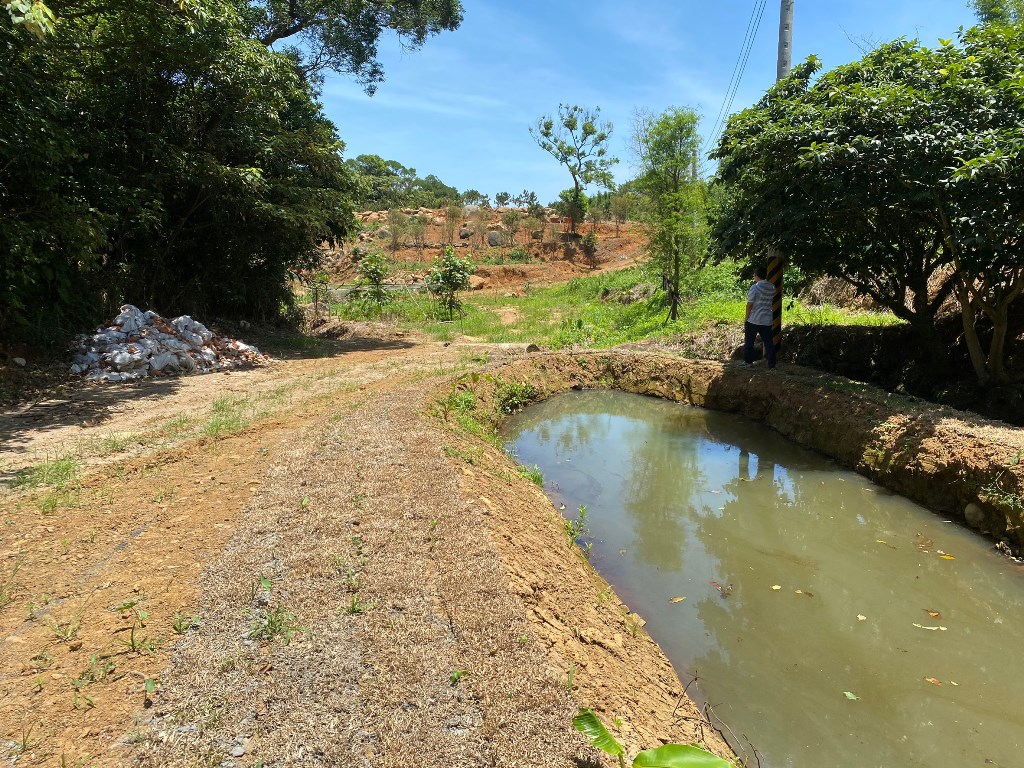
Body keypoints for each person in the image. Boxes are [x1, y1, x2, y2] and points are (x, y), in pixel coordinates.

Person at [743, 265, 776, 369]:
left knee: (749, 342)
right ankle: (772, 365)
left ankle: (748, 363)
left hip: (754, 319)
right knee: (768, 343)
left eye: (754, 275)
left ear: (756, 276)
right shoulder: (772, 287)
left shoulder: (755, 287)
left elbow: (750, 304)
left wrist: (746, 317)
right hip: (767, 320)